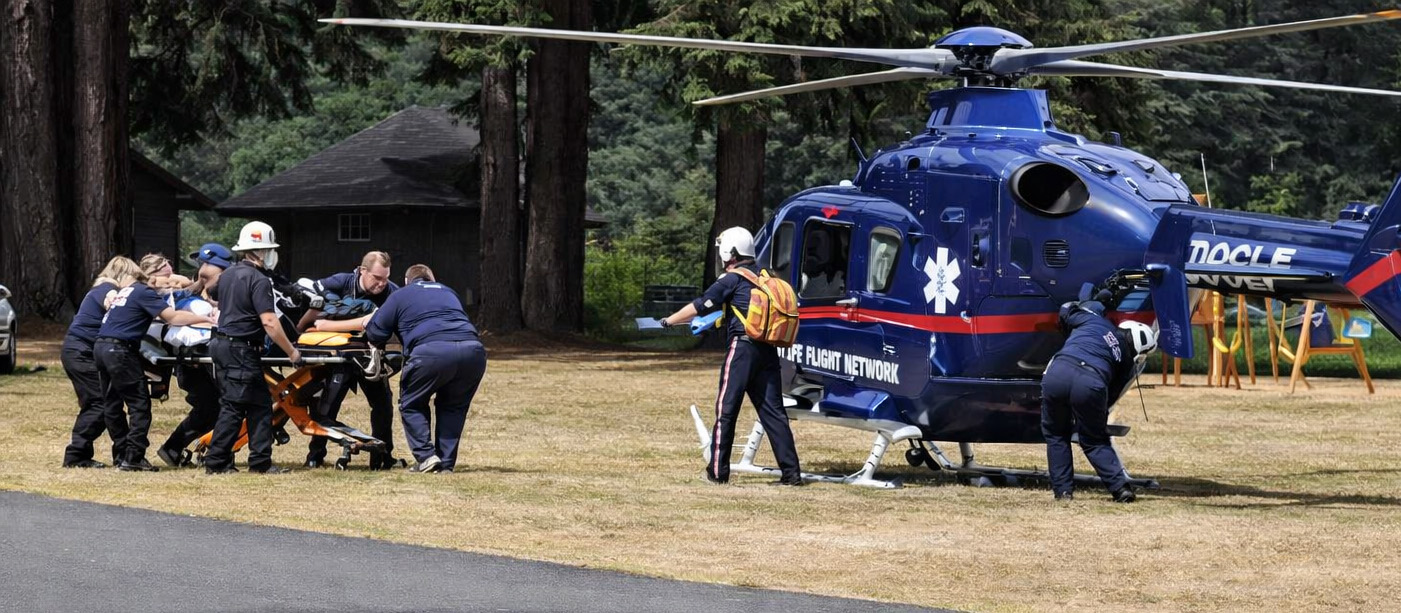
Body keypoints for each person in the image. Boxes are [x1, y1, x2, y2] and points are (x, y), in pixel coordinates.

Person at [660, 227, 804, 486]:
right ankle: (792, 474)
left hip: (742, 351)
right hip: (768, 350)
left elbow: (700, 305)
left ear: (730, 252)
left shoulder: (732, 279)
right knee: (773, 413)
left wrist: (669, 321)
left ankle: (717, 472)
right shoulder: (763, 276)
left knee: (726, 409)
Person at [364, 264, 485, 474]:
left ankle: (427, 456)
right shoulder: (449, 292)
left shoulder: (401, 295)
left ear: (406, 281)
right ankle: (445, 463)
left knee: (412, 403)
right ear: (433, 278)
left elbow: (375, 332)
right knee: (454, 406)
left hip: (430, 351)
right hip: (472, 351)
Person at [94, 264, 216, 472]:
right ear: (150, 276)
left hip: (101, 347)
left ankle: (122, 454)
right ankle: (133, 457)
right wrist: (206, 319)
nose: (170, 283)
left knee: (113, 404)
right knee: (139, 406)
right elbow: (173, 317)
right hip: (119, 350)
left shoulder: (128, 291)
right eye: (166, 278)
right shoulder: (145, 292)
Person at [203, 221, 303, 474]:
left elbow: (211, 292)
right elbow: (269, 321)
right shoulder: (259, 280)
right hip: (241, 349)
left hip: (222, 345)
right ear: (262, 252)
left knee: (259, 403)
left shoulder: (228, 274)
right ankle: (216, 462)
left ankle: (260, 461)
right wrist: (291, 351)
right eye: (270, 249)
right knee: (234, 407)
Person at [1041, 292, 1157, 502]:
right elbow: (1109, 397)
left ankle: (1063, 493)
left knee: (1056, 435)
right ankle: (1121, 489)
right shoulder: (1127, 364)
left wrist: (1092, 301)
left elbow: (1067, 310)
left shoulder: (1095, 321)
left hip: (1057, 372)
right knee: (1094, 440)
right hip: (1091, 383)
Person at [296, 251, 402, 469]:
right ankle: (315, 455)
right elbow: (309, 298)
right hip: (339, 357)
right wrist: (358, 321)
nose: (382, 284)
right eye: (377, 278)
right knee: (328, 406)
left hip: (369, 356)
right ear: (362, 271)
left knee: (383, 406)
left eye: (386, 278)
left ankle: (382, 458)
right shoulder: (340, 282)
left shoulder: (392, 292)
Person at [156, 243, 233, 468]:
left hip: (196, 359)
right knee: (223, 406)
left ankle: (173, 448)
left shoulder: (189, 293)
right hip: (198, 359)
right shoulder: (186, 295)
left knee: (211, 408)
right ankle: (218, 457)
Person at [61, 256, 142, 468]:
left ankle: (122, 453)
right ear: (122, 275)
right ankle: (76, 455)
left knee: (110, 403)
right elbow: (112, 303)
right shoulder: (109, 289)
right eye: (134, 278)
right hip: (82, 351)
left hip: (80, 350)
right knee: (100, 403)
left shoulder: (97, 289)